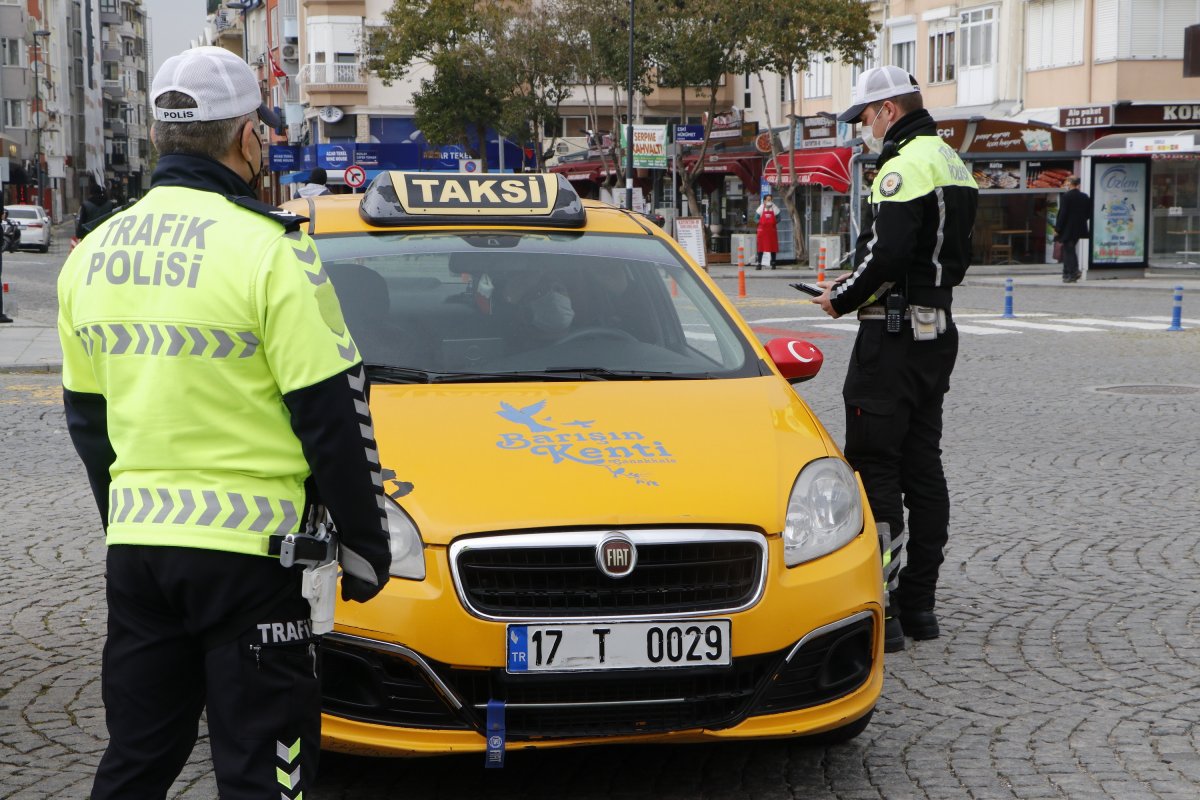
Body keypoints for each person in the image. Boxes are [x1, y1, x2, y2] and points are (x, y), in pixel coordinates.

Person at [56, 46, 392, 799]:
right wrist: (365, 546)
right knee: (264, 774)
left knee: (137, 760)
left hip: (140, 552)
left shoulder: (93, 254)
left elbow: (87, 420)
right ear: (249, 139)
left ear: (156, 140)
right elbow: (332, 412)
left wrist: (130, 518)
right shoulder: (272, 252)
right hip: (252, 560)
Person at [814, 65, 978, 653]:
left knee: (875, 465)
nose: (862, 130)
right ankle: (921, 604)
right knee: (923, 466)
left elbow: (887, 255)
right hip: (937, 327)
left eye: (863, 118)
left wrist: (841, 297)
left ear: (886, 110)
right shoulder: (953, 160)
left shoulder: (901, 166)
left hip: (892, 334)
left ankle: (885, 610)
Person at [1055, 175, 1090, 283]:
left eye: (1067, 182)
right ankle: (1067, 273)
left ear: (1070, 183)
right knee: (1068, 248)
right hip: (1079, 227)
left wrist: (1057, 228)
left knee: (1069, 250)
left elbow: (1063, 214)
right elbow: (1088, 212)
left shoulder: (1066, 196)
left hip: (1067, 228)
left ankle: (1074, 271)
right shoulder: (1084, 196)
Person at [755, 193, 780, 269]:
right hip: (762, 231)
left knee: (773, 247)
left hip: (772, 231)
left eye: (771, 199)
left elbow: (779, 218)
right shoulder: (761, 208)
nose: (770, 201)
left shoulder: (775, 208)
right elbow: (755, 218)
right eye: (768, 200)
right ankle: (759, 264)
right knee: (760, 247)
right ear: (764, 200)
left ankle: (773, 263)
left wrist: (774, 222)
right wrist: (760, 222)